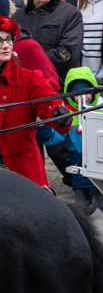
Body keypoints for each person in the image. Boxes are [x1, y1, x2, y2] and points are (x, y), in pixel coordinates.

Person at [39, 66, 103, 242]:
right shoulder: (67, 116)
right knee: (81, 210)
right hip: (80, 173)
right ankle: (83, 242)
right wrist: (43, 127)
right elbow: (53, 138)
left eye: (87, 91)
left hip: (102, 172)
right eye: (76, 92)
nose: (82, 96)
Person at [0, 16, 72, 186]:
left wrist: (57, 112)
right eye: (0, 40)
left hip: (22, 172)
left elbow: (48, 101)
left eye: (8, 39)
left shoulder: (29, 79)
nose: (5, 45)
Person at [12, 0, 83, 85]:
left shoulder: (70, 14)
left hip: (58, 84)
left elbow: (67, 52)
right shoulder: (18, 16)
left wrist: (34, 61)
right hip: (25, 83)